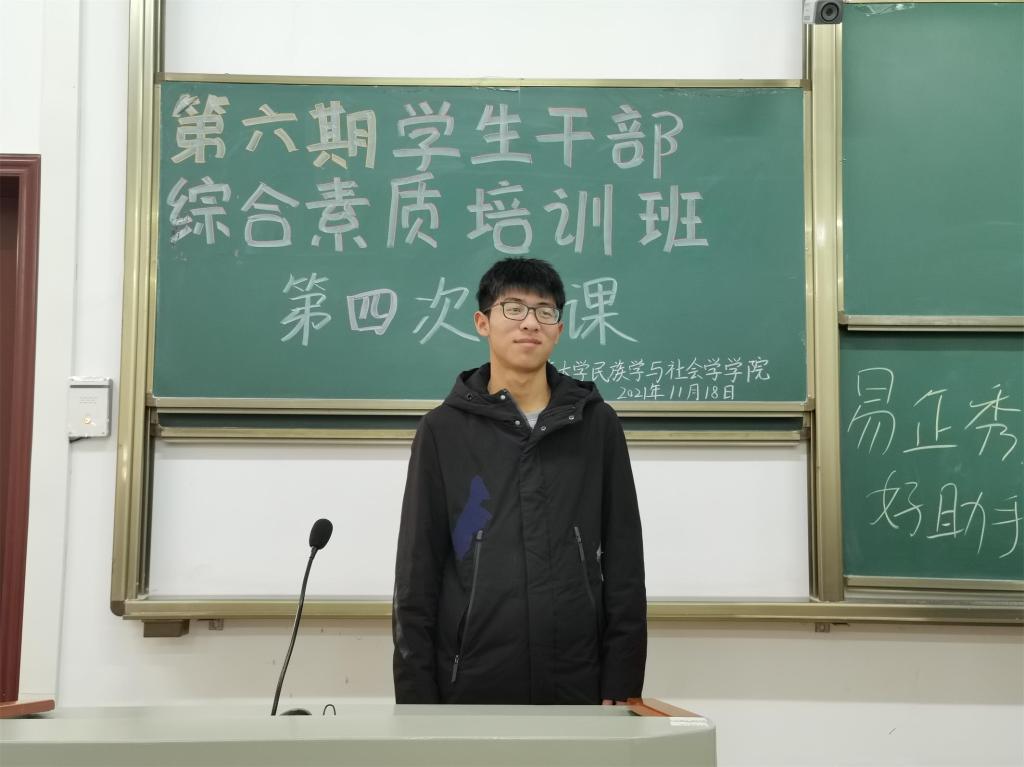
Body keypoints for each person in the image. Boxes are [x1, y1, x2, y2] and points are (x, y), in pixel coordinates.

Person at [392, 257, 646, 705]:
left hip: (578, 678)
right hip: (470, 680)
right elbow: (417, 572)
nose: (530, 323)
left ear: (558, 330)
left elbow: (625, 560)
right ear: (482, 322)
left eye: (545, 311)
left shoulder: (596, 424)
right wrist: (416, 697)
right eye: (513, 308)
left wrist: (622, 679)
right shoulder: (443, 430)